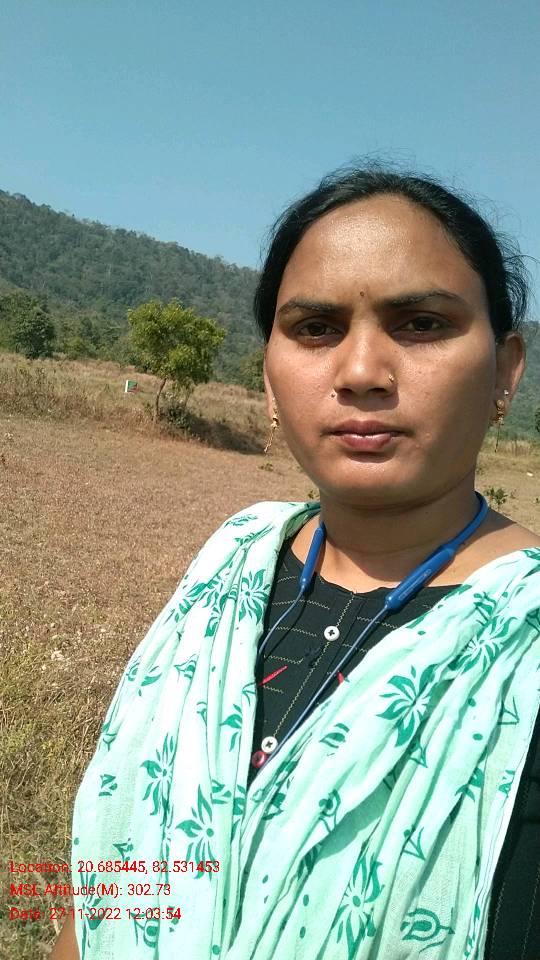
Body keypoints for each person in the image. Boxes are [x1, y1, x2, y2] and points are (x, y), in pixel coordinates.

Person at [51, 163, 540, 960]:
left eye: (421, 323)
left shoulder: (526, 640)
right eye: (315, 328)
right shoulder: (233, 559)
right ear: (270, 379)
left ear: (505, 370)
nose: (360, 373)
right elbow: (107, 873)